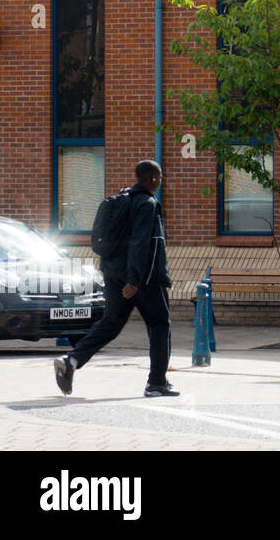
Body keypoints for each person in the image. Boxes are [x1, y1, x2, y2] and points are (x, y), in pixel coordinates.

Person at [54, 160, 178, 397]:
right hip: (143, 279)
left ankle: (71, 360)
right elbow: (140, 243)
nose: (160, 181)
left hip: (112, 273)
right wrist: (134, 280)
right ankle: (156, 383)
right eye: (159, 176)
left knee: (111, 323)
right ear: (152, 178)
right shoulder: (147, 204)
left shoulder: (119, 201)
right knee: (160, 324)